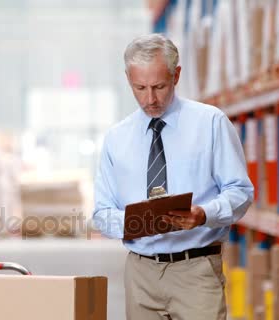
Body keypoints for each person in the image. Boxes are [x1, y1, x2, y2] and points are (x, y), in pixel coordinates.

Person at [92, 33, 254, 320]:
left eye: (159, 86)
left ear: (176, 75)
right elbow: (102, 213)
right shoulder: (116, 139)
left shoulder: (211, 124)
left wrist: (203, 214)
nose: (150, 99)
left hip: (195, 270)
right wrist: (138, 221)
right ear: (128, 79)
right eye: (139, 88)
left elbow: (240, 191)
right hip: (140, 273)